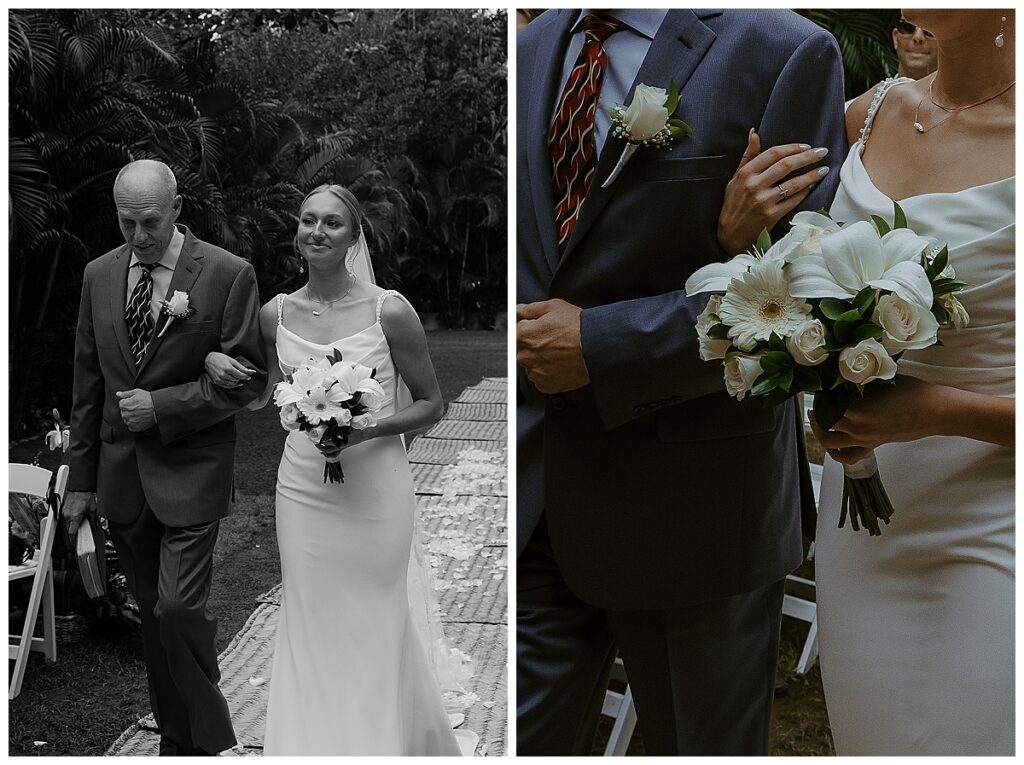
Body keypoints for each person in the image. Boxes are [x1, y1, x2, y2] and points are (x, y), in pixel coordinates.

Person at [515, 9, 846, 755]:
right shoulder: (527, 48)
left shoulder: (784, 52)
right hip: (539, 497)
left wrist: (600, 343)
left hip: (697, 508)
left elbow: (799, 293)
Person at [718, 9, 1014, 755]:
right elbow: (775, 267)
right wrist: (735, 231)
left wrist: (937, 409)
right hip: (865, 518)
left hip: (996, 514)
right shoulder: (865, 113)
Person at [204, 184, 467, 755]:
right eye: (307, 221)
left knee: (374, 616)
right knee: (310, 617)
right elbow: (257, 392)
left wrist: (364, 429)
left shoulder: (389, 310)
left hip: (375, 489)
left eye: (331, 223)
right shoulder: (275, 313)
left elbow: (430, 403)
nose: (316, 232)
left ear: (354, 238)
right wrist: (217, 364)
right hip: (303, 489)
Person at [65, 159, 267, 756]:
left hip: (193, 471)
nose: (139, 236)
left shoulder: (229, 274)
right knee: (153, 616)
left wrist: (164, 406)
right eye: (127, 223)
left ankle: (207, 739)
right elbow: (87, 384)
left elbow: (247, 382)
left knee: (179, 609)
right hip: (122, 476)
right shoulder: (97, 275)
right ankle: (177, 742)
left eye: (150, 221)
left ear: (177, 209)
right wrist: (80, 478)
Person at [845, 15, 937, 109]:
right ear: (895, 38)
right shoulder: (852, 111)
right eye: (907, 27)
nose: (918, 37)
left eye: (929, 30)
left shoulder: (952, 115)